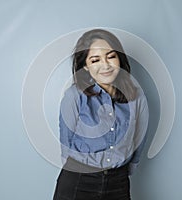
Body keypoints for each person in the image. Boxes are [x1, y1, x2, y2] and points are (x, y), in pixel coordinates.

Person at [53, 29, 149, 200]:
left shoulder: (137, 97)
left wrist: (124, 168)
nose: (105, 65)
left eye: (111, 56)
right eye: (95, 60)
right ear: (85, 66)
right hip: (78, 180)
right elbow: (66, 141)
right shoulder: (74, 95)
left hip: (118, 182)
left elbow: (139, 140)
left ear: (120, 59)